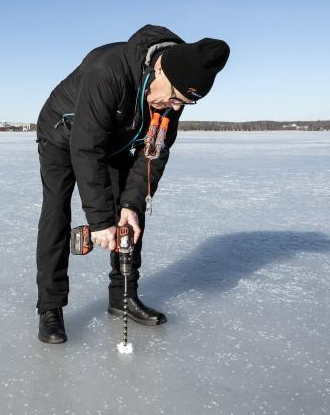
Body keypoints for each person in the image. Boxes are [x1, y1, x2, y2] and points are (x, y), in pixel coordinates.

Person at [35, 24, 230, 344]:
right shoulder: (106, 71)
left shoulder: (171, 96)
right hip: (64, 134)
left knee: (130, 214)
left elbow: (153, 155)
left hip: (118, 141)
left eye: (186, 103)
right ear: (161, 70)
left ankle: (122, 296)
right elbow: (85, 149)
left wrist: (131, 204)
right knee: (56, 210)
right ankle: (50, 308)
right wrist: (99, 222)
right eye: (177, 98)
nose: (177, 107)